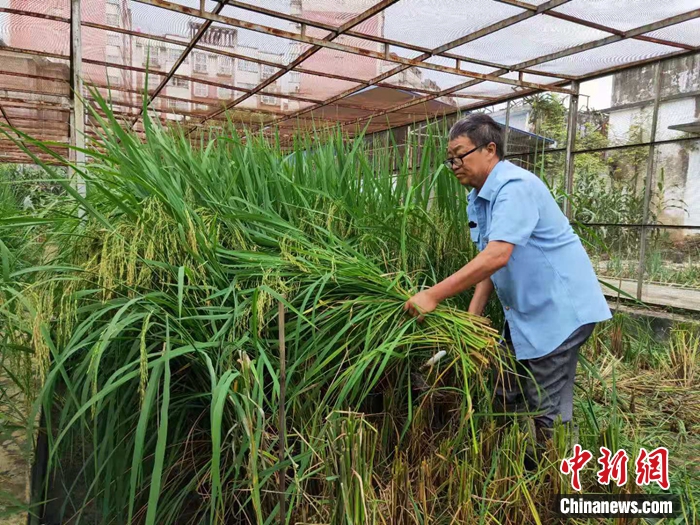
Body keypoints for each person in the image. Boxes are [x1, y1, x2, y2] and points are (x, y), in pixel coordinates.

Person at [404, 113, 611, 461]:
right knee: (504, 383)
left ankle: (552, 477)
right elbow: (490, 259)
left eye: (460, 155)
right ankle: (510, 460)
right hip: (527, 312)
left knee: (545, 401)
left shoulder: (515, 187)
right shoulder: (480, 196)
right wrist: (472, 315)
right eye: (449, 158)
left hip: (558, 310)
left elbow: (498, 255)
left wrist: (433, 295)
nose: (453, 164)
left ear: (490, 149)